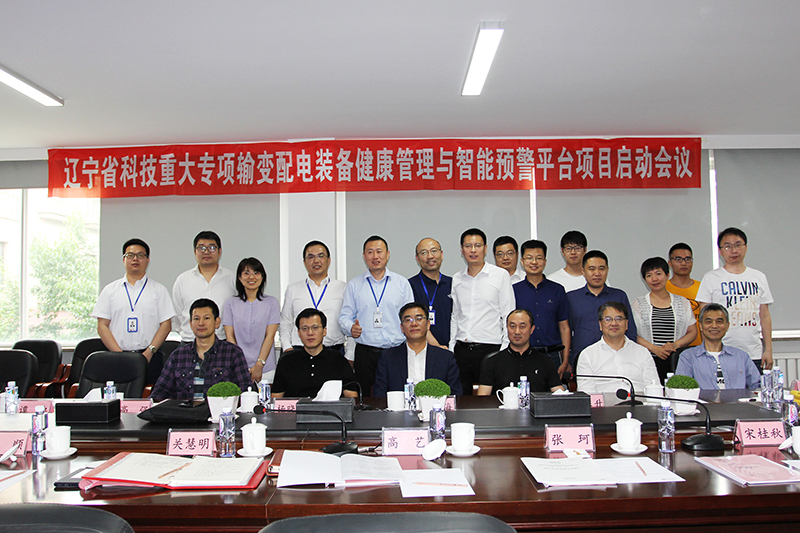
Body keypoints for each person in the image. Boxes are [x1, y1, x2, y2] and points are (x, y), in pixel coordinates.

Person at [92, 238, 175, 384]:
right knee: (119, 396)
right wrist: (119, 355)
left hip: (150, 357)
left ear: (147, 260)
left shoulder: (159, 290)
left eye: (140, 255)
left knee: (151, 396)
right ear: (123, 259)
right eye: (130, 255)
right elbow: (102, 326)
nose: (135, 259)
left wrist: (149, 352)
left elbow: (166, 325)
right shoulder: (110, 290)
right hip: (117, 357)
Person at [339, 235, 414, 395]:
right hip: (366, 352)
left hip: (396, 351)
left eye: (379, 251)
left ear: (387, 254)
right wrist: (350, 328)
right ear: (364, 256)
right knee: (366, 398)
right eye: (370, 252)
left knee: (398, 395)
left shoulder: (402, 283)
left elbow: (410, 317)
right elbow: (344, 316)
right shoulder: (354, 285)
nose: (375, 256)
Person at [697, 227, 774, 369]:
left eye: (738, 245)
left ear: (745, 247)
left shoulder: (758, 277)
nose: (734, 251)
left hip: (753, 352)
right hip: (721, 351)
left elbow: (765, 316)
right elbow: (704, 318)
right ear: (720, 251)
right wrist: (708, 351)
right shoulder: (711, 278)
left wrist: (768, 350)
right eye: (728, 246)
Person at [450, 228, 515, 395]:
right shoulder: (457, 278)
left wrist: (504, 350)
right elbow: (455, 316)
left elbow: (508, 315)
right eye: (468, 246)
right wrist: (452, 346)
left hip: (490, 349)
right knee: (461, 399)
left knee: (490, 400)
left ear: (485, 249)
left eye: (477, 245)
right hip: (462, 350)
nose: (473, 250)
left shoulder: (500, 275)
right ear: (462, 250)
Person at [151, 299, 252, 401]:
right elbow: (161, 391)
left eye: (206, 318)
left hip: (220, 410)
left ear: (217, 322)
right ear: (190, 324)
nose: (201, 323)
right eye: (196, 319)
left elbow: (245, 390)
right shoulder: (177, 356)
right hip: (184, 410)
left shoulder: (233, 353)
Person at [372, 303, 461, 397]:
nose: (414, 324)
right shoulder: (388, 357)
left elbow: (455, 394)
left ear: (428, 324)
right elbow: (379, 395)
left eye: (419, 319)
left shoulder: (445, 357)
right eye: (408, 320)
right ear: (402, 327)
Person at [631, 257, 697, 382]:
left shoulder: (682, 302)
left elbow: (692, 332)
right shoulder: (638, 304)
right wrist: (654, 348)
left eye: (658, 273)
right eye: (649, 275)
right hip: (648, 360)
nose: (654, 279)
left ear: (667, 275)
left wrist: (675, 345)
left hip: (676, 360)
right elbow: (632, 333)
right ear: (644, 279)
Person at [566, 250, 636, 367]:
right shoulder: (571, 298)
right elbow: (565, 331)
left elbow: (630, 331)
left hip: (617, 360)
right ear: (583, 271)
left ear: (607, 270)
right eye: (592, 269)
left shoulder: (619, 296)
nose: (597, 273)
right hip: (581, 359)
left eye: (601, 269)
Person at [513, 239, 571, 377]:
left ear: (545, 262)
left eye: (539, 258)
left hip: (552, 355)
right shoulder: (514, 291)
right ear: (522, 262)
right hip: (523, 354)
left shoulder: (557, 290)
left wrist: (565, 360)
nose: (534, 262)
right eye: (529, 258)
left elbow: (564, 327)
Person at [279, 241, 347, 357]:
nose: (316, 261)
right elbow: (285, 322)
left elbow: (349, 322)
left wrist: (350, 354)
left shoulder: (343, 288)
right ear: (304, 262)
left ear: (329, 260)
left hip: (333, 351)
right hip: (299, 351)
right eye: (311, 257)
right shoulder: (293, 289)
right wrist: (287, 348)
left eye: (321, 256)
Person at [272, 309, 358, 398]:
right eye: (305, 328)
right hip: (297, 407)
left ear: (324, 331)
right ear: (298, 333)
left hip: (329, 407)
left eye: (315, 327)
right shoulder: (287, 361)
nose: (310, 333)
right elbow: (276, 397)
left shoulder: (338, 359)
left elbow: (351, 395)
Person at [576, 302, 658, 394]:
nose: (614, 323)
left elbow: (654, 388)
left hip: (638, 401)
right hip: (604, 403)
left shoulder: (643, 352)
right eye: (608, 319)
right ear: (600, 325)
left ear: (626, 324)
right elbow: (586, 393)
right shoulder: (587, 355)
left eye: (619, 319)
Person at [477, 309, 564, 395]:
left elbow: (559, 394)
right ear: (506, 328)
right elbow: (483, 397)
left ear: (532, 329)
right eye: (512, 326)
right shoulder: (492, 362)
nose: (517, 332)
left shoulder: (545, 361)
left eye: (522, 327)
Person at [675, 304, 760, 390]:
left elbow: (758, 386)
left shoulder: (741, 356)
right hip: (702, 399)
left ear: (727, 326)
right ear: (701, 326)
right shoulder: (688, 357)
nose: (714, 326)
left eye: (719, 321)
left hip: (738, 399)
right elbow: (681, 389)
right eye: (709, 322)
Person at [222, 258, 280, 384]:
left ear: (262, 277)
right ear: (239, 278)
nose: (251, 277)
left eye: (256, 273)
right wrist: (240, 365)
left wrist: (259, 364)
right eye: (246, 273)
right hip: (238, 368)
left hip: (265, 369)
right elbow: (230, 337)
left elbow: (270, 336)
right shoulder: (230, 303)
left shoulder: (272, 302)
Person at [172, 231, 236, 342]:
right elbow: (177, 315)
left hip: (222, 341)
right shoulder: (182, 280)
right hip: (189, 341)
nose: (206, 252)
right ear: (195, 252)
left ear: (219, 251)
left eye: (211, 248)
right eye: (201, 248)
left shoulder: (232, 279)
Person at [408, 237, 452, 348]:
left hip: (451, 349)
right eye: (424, 253)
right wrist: (436, 347)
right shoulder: (410, 285)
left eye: (434, 251)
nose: (430, 256)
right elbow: (414, 322)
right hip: (421, 349)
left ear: (441, 254)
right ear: (417, 259)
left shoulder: (453, 284)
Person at [666, 242, 702, 347]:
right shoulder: (663, 288)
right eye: (678, 259)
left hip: (699, 347)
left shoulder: (702, 288)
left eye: (687, 259)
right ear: (670, 263)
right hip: (671, 347)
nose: (683, 263)